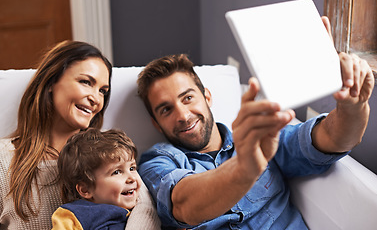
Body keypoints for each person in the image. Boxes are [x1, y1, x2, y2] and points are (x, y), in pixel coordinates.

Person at [136, 17, 374, 229]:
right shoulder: (157, 161)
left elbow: (334, 139)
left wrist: (353, 105)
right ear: (156, 123)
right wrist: (245, 167)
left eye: (188, 98)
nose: (183, 115)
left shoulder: (263, 137)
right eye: (166, 109)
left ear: (207, 96)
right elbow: (183, 204)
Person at [0, 40, 160, 230]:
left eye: (103, 91)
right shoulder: (4, 158)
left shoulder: (107, 153)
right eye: (86, 82)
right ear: (51, 82)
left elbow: (145, 209)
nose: (96, 99)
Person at [51, 128, 151, 229]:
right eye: (116, 172)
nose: (131, 178)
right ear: (85, 189)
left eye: (132, 168)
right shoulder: (76, 215)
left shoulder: (141, 209)